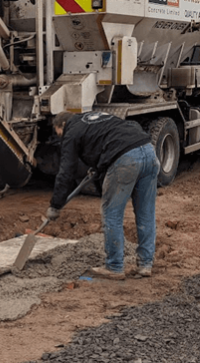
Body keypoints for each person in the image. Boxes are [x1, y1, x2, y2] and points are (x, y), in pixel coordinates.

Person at [46, 111, 160, 280]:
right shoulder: (97, 117)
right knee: (146, 213)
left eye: (59, 133)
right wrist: (99, 167)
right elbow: (112, 137)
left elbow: (66, 171)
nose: (61, 138)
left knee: (111, 213)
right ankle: (145, 265)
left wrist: (55, 204)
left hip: (126, 160)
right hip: (149, 152)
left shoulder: (71, 130)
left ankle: (114, 266)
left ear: (62, 125)